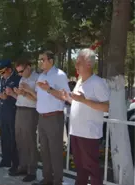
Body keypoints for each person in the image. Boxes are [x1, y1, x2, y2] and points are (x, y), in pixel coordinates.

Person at [64, 49, 110, 185]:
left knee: (92, 168)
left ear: (89, 64)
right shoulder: (79, 81)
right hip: (76, 131)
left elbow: (106, 107)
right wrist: (67, 97)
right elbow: (77, 102)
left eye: (79, 61)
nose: (76, 64)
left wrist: (83, 100)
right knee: (80, 167)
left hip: (89, 133)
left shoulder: (98, 82)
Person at [31, 51, 70, 185]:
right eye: (39, 59)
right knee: (44, 150)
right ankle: (47, 179)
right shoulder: (41, 76)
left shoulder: (59, 75)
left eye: (43, 59)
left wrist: (49, 89)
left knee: (55, 151)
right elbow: (38, 97)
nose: (40, 62)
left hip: (54, 117)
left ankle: (57, 181)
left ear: (51, 61)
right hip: (42, 117)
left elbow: (66, 96)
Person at [8, 58, 39, 182]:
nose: (20, 74)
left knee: (29, 141)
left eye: (21, 71)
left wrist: (25, 92)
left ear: (28, 67)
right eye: (18, 72)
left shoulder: (37, 78)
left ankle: (32, 170)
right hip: (19, 109)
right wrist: (13, 94)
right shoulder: (23, 79)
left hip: (30, 111)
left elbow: (38, 99)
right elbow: (21, 97)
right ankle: (23, 166)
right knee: (20, 139)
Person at [0, 59, 20, 171]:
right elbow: (2, 94)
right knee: (4, 138)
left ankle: (15, 164)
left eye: (2, 70)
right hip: (3, 111)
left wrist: (9, 96)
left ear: (9, 69)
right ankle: (5, 160)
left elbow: (19, 97)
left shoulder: (17, 79)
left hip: (13, 111)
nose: (0, 73)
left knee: (13, 139)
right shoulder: (2, 79)